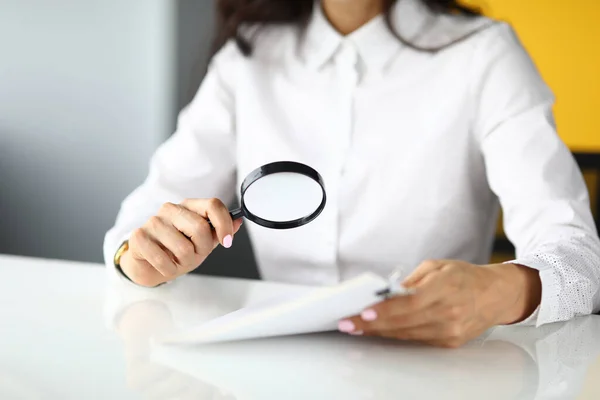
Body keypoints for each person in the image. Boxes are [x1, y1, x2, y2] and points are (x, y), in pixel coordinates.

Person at [104, 0, 600, 348]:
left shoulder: (483, 53)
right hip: (275, 366)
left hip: (436, 370)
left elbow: (576, 255)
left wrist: (502, 292)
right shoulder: (247, 57)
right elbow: (138, 221)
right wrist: (141, 255)